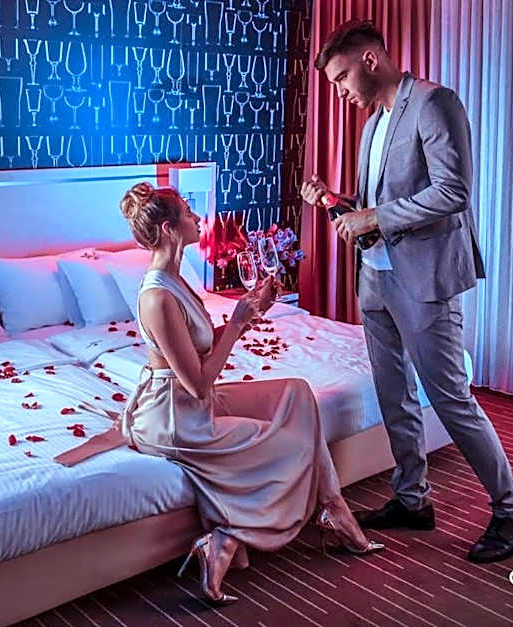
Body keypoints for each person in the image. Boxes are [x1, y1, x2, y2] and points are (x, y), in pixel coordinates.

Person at [302, 20, 513, 564]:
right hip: (375, 276)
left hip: (424, 278)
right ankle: (412, 499)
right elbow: (375, 204)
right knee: (393, 393)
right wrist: (337, 200)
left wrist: (373, 216)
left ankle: (512, 509)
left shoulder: (434, 103)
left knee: (450, 398)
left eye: (341, 79)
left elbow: (453, 192)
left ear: (370, 60)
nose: (340, 93)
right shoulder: (373, 125)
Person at [118, 182, 382, 604]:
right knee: (291, 444)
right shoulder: (156, 297)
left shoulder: (177, 279)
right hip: (173, 418)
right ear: (169, 230)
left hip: (189, 404)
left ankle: (334, 508)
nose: (199, 218)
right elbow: (198, 383)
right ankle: (226, 538)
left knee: (297, 394)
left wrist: (252, 309)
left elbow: (202, 343)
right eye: (189, 212)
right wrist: (239, 322)